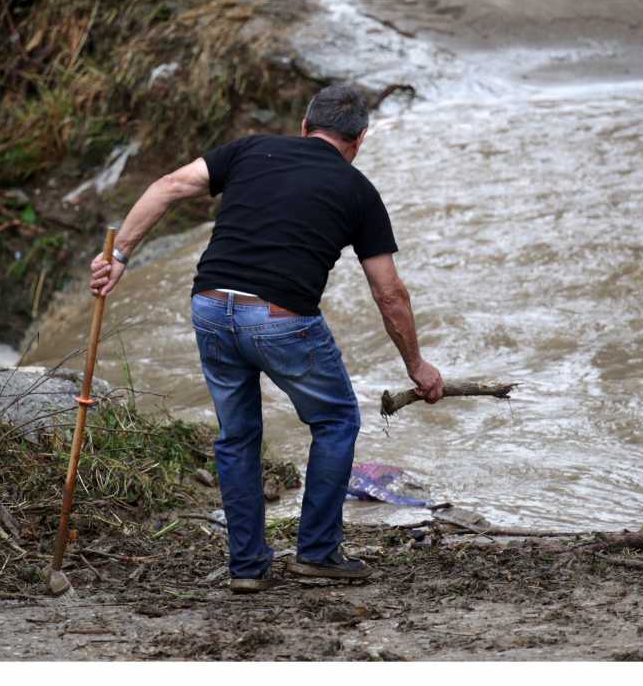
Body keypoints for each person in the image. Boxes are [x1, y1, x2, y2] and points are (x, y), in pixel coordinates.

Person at [89, 84, 444, 593]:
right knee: (337, 418)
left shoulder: (251, 148)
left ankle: (248, 566)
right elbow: (389, 293)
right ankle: (318, 553)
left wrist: (119, 257)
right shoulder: (358, 190)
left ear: (304, 125)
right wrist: (417, 366)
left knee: (236, 436)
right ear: (359, 139)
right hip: (279, 317)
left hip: (209, 304)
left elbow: (168, 185)